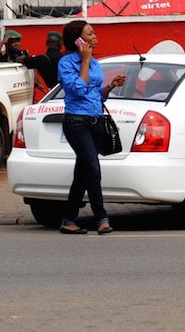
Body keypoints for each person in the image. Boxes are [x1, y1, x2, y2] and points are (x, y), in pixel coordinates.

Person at [57, 20, 126, 235]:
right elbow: (77, 90)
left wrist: (111, 86)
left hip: (96, 121)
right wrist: (84, 60)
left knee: (83, 172)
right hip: (76, 122)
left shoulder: (95, 63)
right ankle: (101, 218)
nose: (95, 36)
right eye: (90, 33)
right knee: (93, 170)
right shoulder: (67, 63)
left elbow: (95, 93)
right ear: (79, 40)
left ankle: (68, 219)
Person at [22, 31, 64, 99]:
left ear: (46, 43)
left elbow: (20, 59)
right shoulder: (65, 59)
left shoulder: (40, 59)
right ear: (60, 44)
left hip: (55, 95)